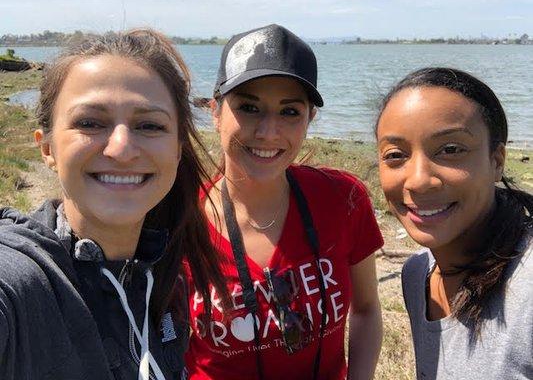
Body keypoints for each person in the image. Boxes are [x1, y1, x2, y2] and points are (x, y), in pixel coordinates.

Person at [0, 29, 228, 380]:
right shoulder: (22, 282)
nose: (121, 149)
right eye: (90, 123)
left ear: (178, 150)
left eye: (149, 125)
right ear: (47, 148)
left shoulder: (166, 280)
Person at [184, 24, 384, 380]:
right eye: (249, 107)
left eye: (289, 112)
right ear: (215, 112)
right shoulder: (183, 222)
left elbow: (366, 309)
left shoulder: (343, 199)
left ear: (310, 118)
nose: (268, 132)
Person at [376, 67, 533, 379]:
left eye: (450, 150)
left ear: (497, 161)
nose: (419, 180)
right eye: (395, 155)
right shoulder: (417, 273)